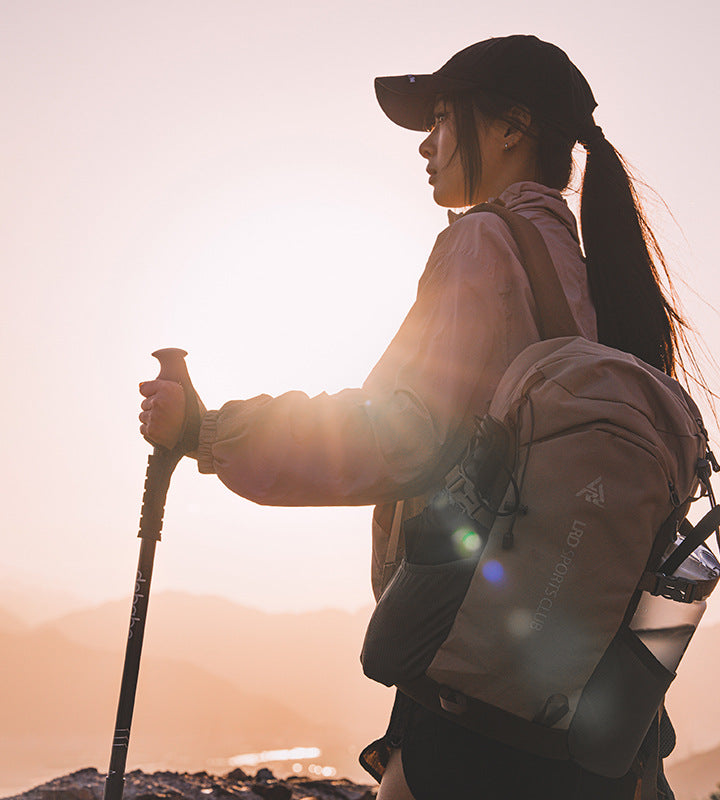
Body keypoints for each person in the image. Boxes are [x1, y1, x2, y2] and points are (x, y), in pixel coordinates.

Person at [139, 34, 691, 800]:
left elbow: (401, 437)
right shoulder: (597, 278)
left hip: (474, 700)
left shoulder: (482, 243)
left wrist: (209, 432)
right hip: (591, 715)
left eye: (440, 118)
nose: (426, 145)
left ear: (510, 128)